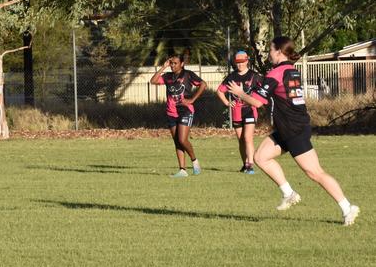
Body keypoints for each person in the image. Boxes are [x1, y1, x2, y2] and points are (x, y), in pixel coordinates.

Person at [228, 36, 360, 226]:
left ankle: (347, 208)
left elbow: (257, 101)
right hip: (288, 127)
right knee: (260, 157)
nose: (269, 53)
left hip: (294, 129)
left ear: (279, 51)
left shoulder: (276, 73)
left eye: (271, 50)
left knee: (315, 173)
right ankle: (289, 193)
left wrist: (240, 94)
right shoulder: (291, 70)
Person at [150, 53, 207, 177]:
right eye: (171, 63)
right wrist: (163, 67)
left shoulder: (188, 74)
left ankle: (194, 161)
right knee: (177, 142)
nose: (173, 65)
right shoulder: (167, 76)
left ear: (182, 64)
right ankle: (182, 170)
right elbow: (153, 81)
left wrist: (192, 99)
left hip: (185, 110)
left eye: (175, 63)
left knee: (182, 139)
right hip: (171, 112)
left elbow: (203, 84)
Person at [216, 50, 263, 174]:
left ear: (247, 60)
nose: (240, 64)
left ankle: (250, 165)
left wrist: (255, 100)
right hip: (236, 112)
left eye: (242, 61)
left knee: (248, 138)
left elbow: (263, 91)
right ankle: (245, 164)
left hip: (249, 111)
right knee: (241, 140)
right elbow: (220, 91)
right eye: (237, 62)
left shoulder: (254, 76)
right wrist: (227, 102)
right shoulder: (232, 77)